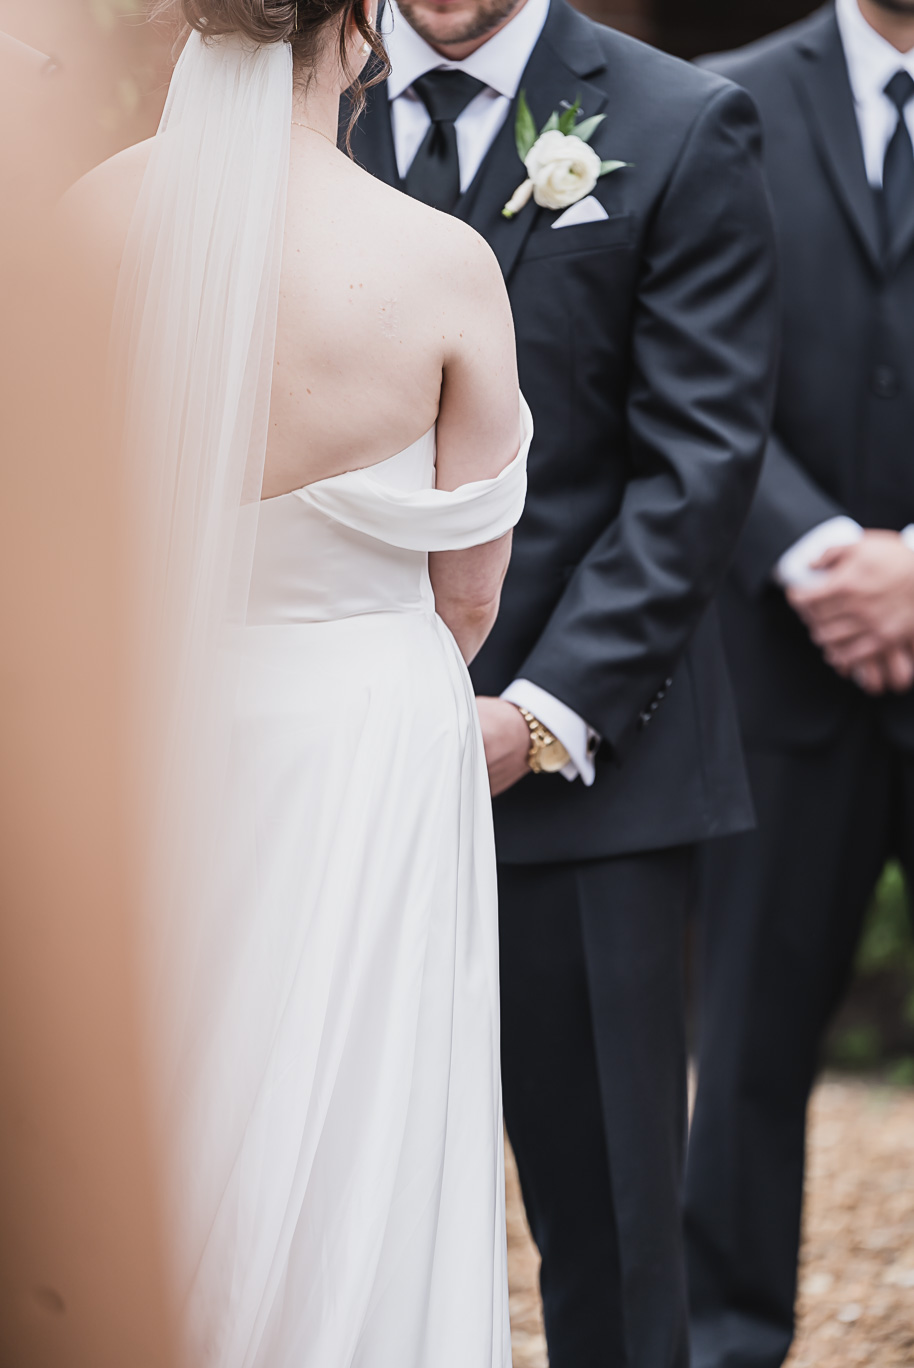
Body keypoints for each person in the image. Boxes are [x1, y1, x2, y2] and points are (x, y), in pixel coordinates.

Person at [58, 0, 532, 1363]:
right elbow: (469, 589)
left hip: (145, 726)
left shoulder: (86, 224)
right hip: (366, 733)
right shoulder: (436, 262)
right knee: (357, 1110)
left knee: (175, 1079)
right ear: (361, 28)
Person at [353, 2, 778, 1364]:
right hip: (323, 764)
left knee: (603, 1222)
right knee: (319, 1192)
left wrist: (537, 715)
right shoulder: (287, 111)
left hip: (588, 779)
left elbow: (696, 461)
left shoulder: (675, 120)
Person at [685, 2, 914, 1366]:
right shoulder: (722, 104)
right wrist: (825, 556)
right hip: (779, 666)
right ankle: (726, 1342)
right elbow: (691, 371)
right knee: (748, 1055)